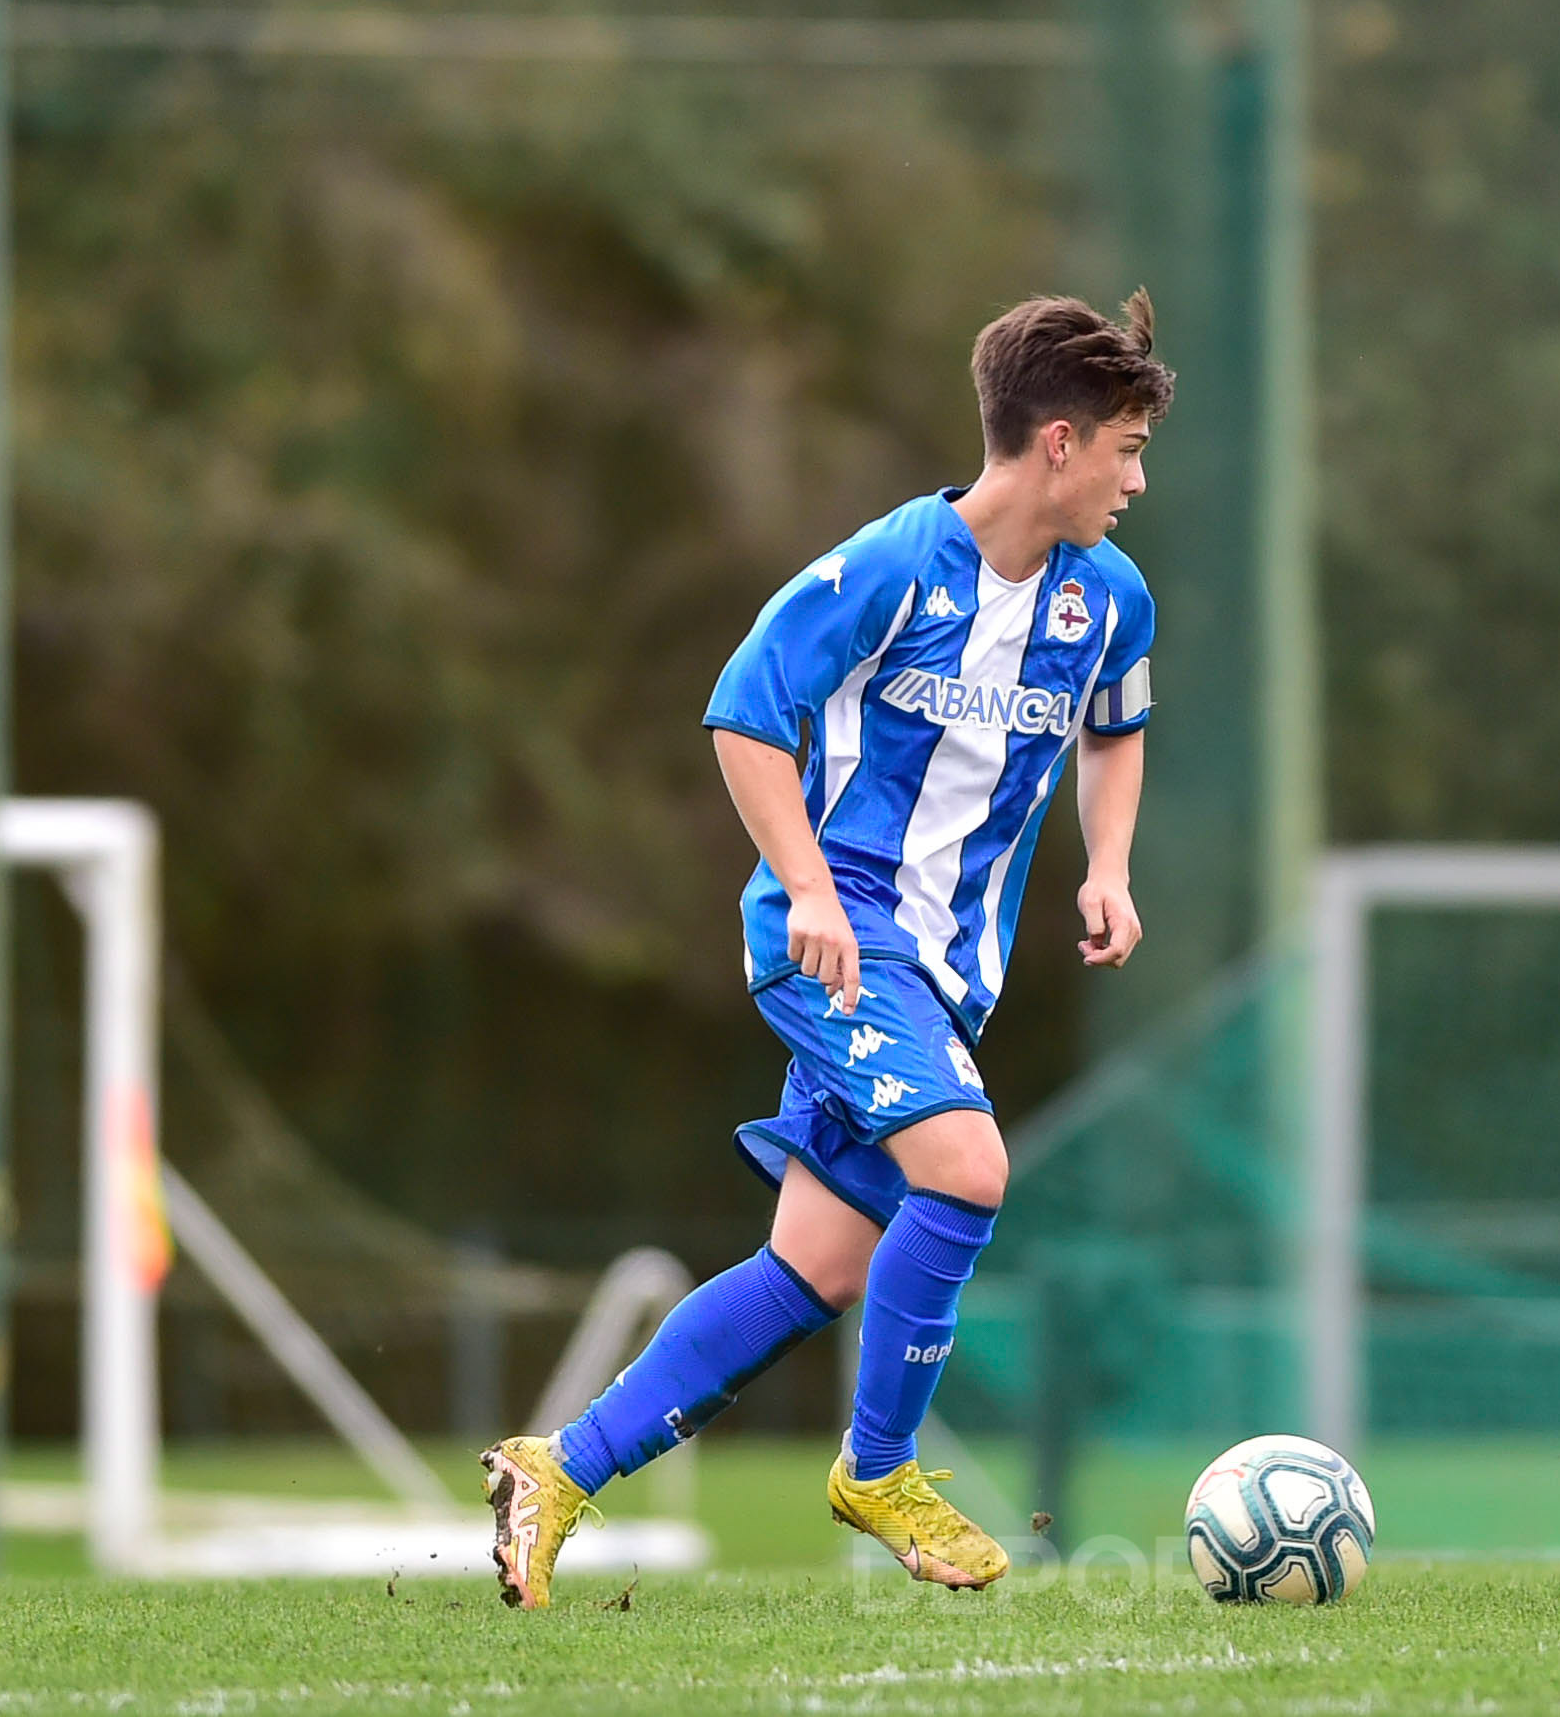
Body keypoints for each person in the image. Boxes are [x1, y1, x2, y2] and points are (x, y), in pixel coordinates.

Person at [477, 292, 1172, 1609]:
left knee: (816, 1269)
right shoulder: (894, 564)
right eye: (1127, 450)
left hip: (943, 974)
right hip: (839, 940)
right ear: (1061, 443)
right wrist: (802, 885)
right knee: (964, 1167)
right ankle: (881, 1467)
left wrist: (1111, 868)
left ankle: (554, 1471)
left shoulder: (1106, 602)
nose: (1137, 482)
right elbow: (746, 715)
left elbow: (1116, 729)